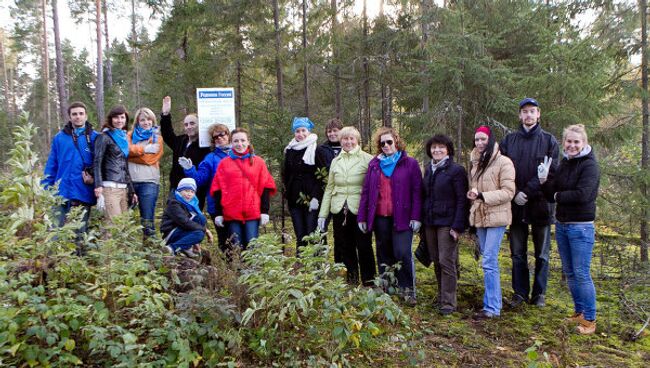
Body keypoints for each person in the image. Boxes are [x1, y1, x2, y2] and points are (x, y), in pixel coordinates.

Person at [540, 124, 600, 334]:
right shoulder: (565, 163)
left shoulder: (589, 166)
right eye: (569, 141)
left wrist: (557, 196)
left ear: (583, 143)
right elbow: (550, 193)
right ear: (564, 143)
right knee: (571, 273)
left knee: (582, 273)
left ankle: (590, 320)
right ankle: (579, 312)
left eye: (576, 142)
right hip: (563, 225)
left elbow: (582, 194)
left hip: (581, 227)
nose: (572, 145)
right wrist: (544, 180)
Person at [500, 97, 559, 308]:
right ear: (519, 115)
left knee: (542, 254)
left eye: (532, 111)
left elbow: (551, 172)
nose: (528, 115)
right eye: (524, 111)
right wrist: (515, 192)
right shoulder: (509, 141)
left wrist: (527, 191)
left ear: (538, 114)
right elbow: (502, 170)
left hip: (541, 205)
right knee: (517, 253)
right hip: (516, 206)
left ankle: (539, 294)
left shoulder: (549, 141)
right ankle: (520, 293)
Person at [358, 127, 422, 305]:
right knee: (384, 253)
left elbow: (417, 192)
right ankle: (388, 289)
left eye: (389, 142)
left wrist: (416, 216)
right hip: (380, 217)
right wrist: (362, 217)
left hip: (402, 216)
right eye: (382, 143)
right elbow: (366, 192)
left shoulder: (409, 163)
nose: (386, 145)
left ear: (396, 141)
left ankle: (407, 290)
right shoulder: (374, 164)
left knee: (402, 252)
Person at [467, 126, 516, 319]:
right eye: (477, 140)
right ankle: (490, 303)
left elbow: (508, 192)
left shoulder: (504, 162)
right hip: (480, 217)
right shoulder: (476, 164)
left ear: (490, 140)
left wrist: (482, 195)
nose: (479, 143)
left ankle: (493, 307)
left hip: (497, 217)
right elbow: (476, 191)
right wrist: (474, 195)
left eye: (483, 139)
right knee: (488, 262)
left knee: (489, 261)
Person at [318, 126, 376, 285]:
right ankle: (352, 278)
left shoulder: (368, 159)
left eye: (351, 138)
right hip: (339, 209)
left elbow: (373, 188)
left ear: (357, 140)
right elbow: (330, 188)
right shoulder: (336, 161)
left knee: (364, 245)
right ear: (341, 140)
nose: (348, 142)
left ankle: (369, 280)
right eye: (345, 138)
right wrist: (323, 214)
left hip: (360, 209)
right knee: (345, 245)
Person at [422, 134, 469, 315]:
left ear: (448, 149)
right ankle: (441, 297)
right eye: (434, 147)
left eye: (441, 147)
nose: (437, 150)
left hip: (448, 223)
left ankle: (449, 303)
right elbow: (425, 196)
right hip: (430, 222)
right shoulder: (428, 169)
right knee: (435, 260)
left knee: (446, 261)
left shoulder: (456, 170)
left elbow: (461, 201)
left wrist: (458, 226)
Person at [42, 101, 98, 252]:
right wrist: (46, 187)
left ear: (86, 115)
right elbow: (52, 164)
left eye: (81, 113)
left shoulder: (94, 137)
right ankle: (52, 263)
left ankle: (79, 266)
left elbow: (101, 165)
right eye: (74, 114)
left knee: (79, 232)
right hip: (60, 191)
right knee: (54, 230)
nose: (78, 117)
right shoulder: (60, 138)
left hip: (83, 191)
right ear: (69, 116)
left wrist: (96, 182)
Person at [210, 127, 277, 249]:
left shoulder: (259, 162)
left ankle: (253, 269)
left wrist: (264, 211)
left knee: (252, 246)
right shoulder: (224, 163)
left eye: (242, 140)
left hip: (252, 211)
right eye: (236, 141)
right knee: (236, 246)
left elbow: (266, 186)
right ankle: (238, 269)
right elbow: (218, 189)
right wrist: (218, 213)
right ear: (231, 142)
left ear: (248, 141)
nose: (239, 144)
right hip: (231, 212)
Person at [179, 123, 231, 251]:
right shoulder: (211, 158)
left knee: (241, 238)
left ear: (228, 135)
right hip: (217, 205)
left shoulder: (240, 154)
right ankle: (228, 267)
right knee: (224, 239)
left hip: (238, 204)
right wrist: (190, 169)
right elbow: (199, 179)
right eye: (215, 137)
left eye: (222, 134)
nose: (219, 138)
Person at [160, 96, 211, 210]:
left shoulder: (205, 145)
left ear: (200, 124)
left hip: (194, 192)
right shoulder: (181, 141)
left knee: (191, 222)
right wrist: (166, 114)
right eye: (186, 124)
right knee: (175, 220)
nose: (189, 127)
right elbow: (167, 134)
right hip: (176, 188)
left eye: (192, 123)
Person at [283, 117, 321, 252]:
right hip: (294, 199)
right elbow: (286, 173)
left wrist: (316, 197)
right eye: (297, 131)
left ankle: (318, 267)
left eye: (303, 130)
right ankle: (302, 267)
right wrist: (287, 193)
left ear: (309, 131)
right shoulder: (290, 149)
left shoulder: (316, 149)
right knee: (300, 235)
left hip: (311, 198)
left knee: (313, 234)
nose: (300, 134)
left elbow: (320, 176)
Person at [94, 105, 137, 219]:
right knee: (112, 227)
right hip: (110, 187)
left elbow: (125, 167)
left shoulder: (124, 138)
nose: (119, 120)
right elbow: (97, 161)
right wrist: (98, 185)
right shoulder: (104, 137)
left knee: (123, 227)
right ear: (111, 119)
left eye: (122, 117)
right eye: (116, 117)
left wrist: (132, 190)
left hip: (124, 188)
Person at [127, 107, 164, 238]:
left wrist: (132, 154)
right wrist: (145, 149)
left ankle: (151, 253)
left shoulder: (156, 138)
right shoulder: (129, 135)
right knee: (124, 220)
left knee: (147, 221)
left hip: (149, 182)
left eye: (149, 119)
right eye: (142, 120)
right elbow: (125, 150)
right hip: (129, 182)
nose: (146, 122)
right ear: (137, 121)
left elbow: (149, 159)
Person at [160, 178, 213, 257]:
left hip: (180, 231)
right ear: (179, 191)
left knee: (201, 218)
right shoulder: (174, 203)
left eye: (192, 192)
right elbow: (184, 222)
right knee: (199, 234)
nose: (189, 194)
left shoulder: (190, 204)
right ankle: (171, 248)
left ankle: (186, 247)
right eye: (186, 190)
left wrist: (195, 241)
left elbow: (191, 223)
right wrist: (205, 230)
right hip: (170, 234)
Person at [315, 118, 343, 248]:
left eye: (335, 131)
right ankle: (320, 262)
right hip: (324, 194)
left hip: (342, 196)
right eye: (329, 131)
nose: (332, 134)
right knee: (320, 229)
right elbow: (317, 172)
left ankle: (341, 262)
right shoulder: (321, 149)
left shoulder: (347, 147)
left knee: (340, 232)